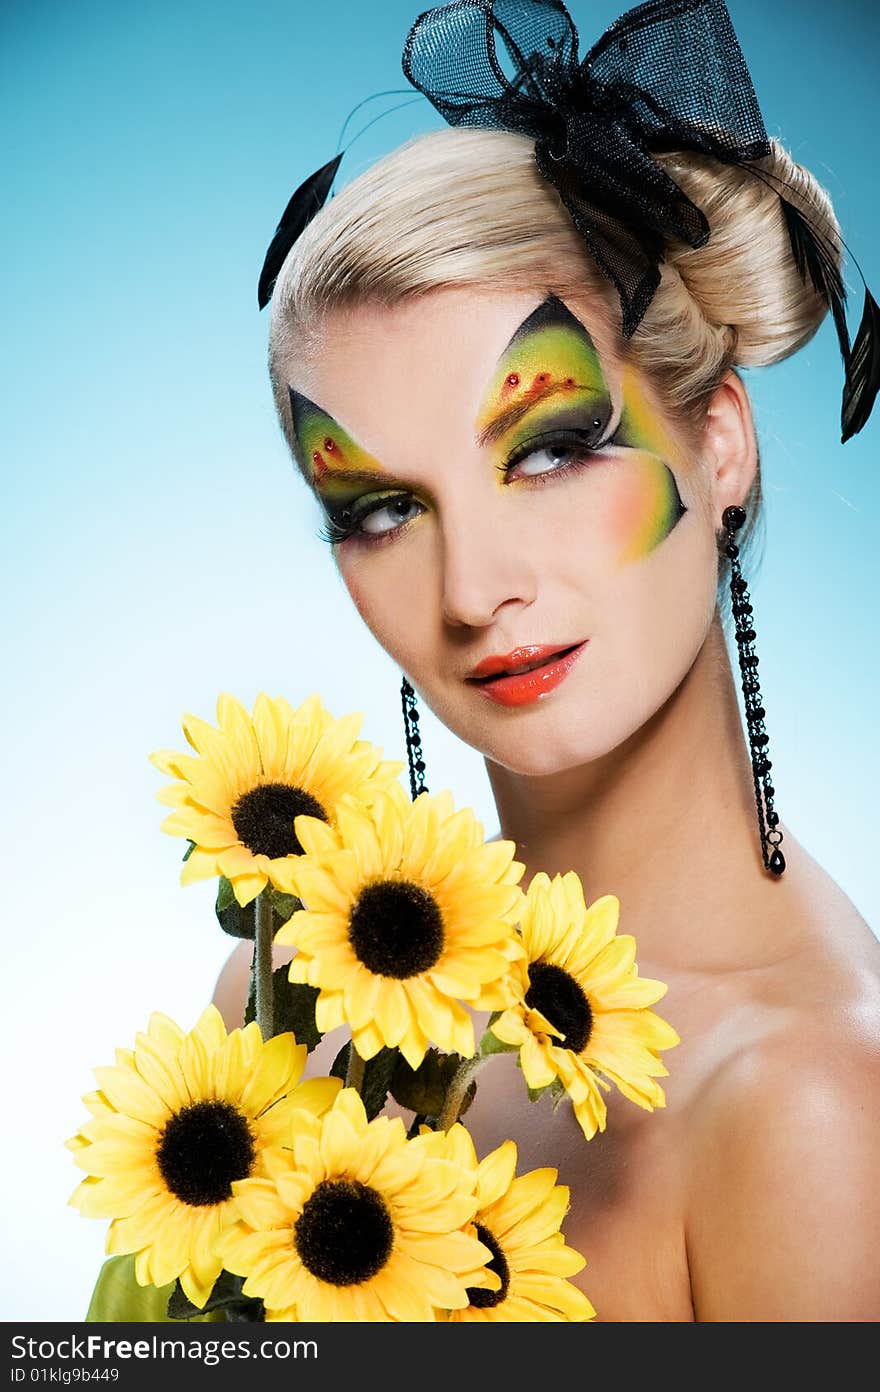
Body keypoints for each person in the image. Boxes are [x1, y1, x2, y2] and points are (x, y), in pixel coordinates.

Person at [213, 0, 880, 1321]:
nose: (471, 591)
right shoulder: (285, 994)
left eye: (555, 446)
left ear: (724, 444)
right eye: (383, 507)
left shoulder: (807, 1116)